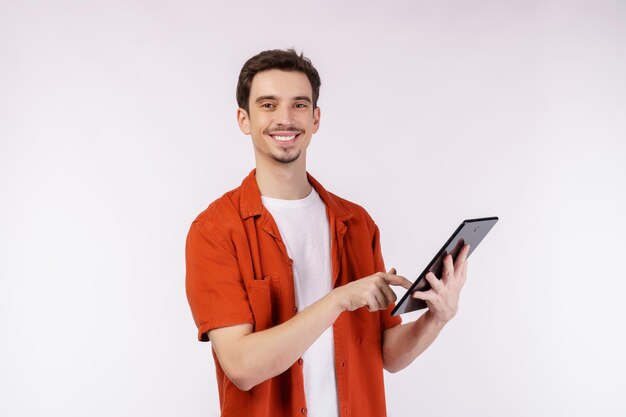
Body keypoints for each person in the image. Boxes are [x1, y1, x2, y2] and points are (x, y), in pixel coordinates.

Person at [185, 48, 470, 417]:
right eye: (268, 105)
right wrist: (338, 300)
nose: (285, 119)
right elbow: (241, 367)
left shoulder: (357, 223)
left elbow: (388, 353)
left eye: (299, 105)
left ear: (316, 118)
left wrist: (437, 317)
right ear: (244, 119)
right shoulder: (215, 231)